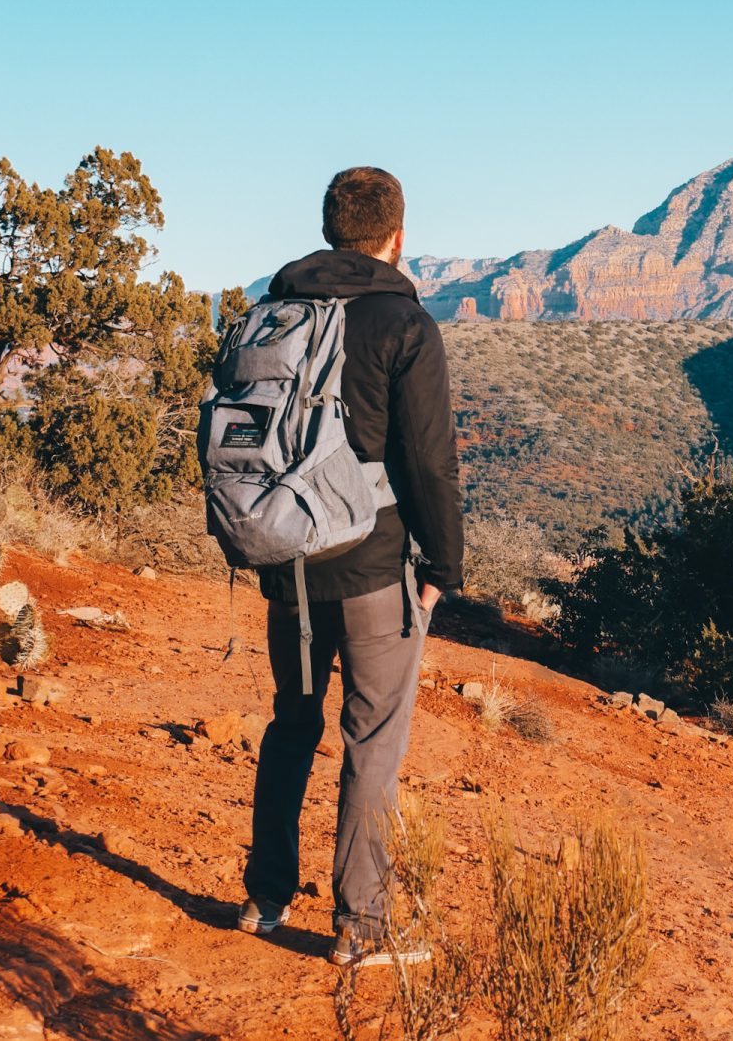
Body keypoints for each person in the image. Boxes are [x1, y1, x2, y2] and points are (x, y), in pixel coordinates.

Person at [235, 166, 464, 966]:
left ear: (331, 229)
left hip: (286, 562)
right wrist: (444, 565)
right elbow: (429, 461)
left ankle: (264, 898)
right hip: (372, 567)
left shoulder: (271, 314)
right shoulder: (404, 322)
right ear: (396, 237)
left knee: (291, 724)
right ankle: (361, 930)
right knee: (371, 741)